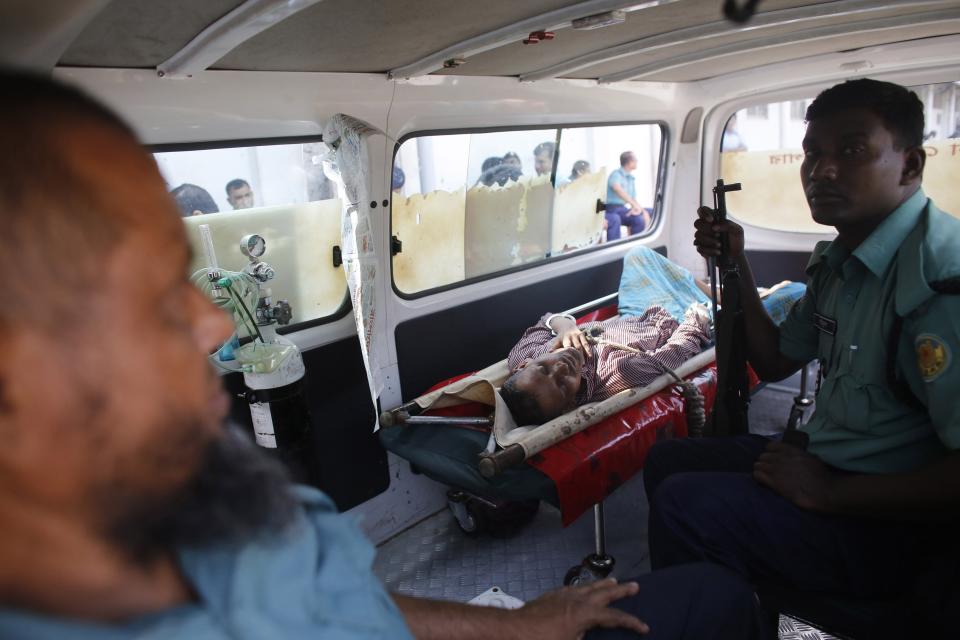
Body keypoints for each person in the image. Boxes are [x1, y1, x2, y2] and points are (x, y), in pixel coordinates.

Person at [0, 71, 774, 640]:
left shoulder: (214, 498)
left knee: (705, 591)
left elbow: (339, 601)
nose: (210, 325)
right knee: (712, 600)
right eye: (145, 293)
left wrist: (521, 625)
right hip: (648, 333)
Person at [645, 78, 960, 636]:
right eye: (813, 153)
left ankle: (719, 615)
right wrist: (737, 263)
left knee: (683, 504)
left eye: (851, 150)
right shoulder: (842, 261)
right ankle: (732, 610)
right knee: (669, 462)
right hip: (833, 462)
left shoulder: (940, 283)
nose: (822, 170)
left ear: (910, 166)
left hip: (892, 524)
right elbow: (774, 361)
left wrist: (830, 492)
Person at [501, 306, 710, 426]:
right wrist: (698, 318)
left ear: (524, 366)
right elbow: (677, 350)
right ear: (569, 406)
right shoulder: (619, 372)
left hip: (635, 309)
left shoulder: (523, 355)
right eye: (562, 385)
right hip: (670, 319)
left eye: (544, 369)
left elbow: (546, 320)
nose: (561, 368)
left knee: (638, 254)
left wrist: (565, 326)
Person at [605, 152, 651, 241]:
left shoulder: (631, 178)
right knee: (638, 219)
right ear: (629, 162)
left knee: (651, 212)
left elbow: (633, 199)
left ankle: (642, 245)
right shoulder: (616, 174)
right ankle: (630, 249)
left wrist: (641, 210)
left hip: (623, 208)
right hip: (611, 208)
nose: (637, 161)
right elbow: (616, 188)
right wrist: (634, 206)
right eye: (635, 160)